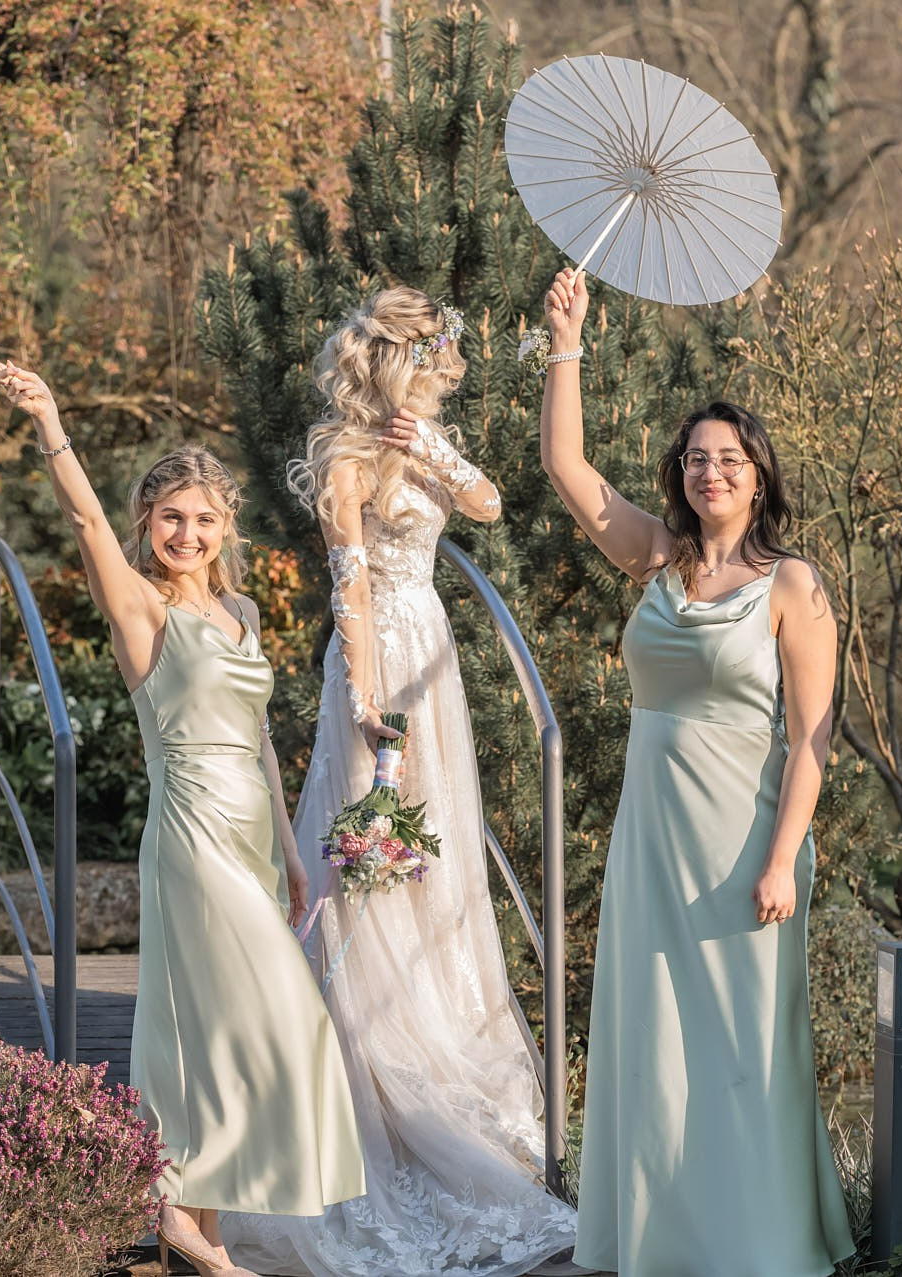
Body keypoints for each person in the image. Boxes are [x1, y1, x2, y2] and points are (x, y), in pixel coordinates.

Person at [222, 287, 579, 1277]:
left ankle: (444, 1055)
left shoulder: (425, 441)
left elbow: (489, 504)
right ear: (380, 363)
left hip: (434, 652)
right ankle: (362, 1072)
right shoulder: (340, 455)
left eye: (434, 356)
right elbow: (350, 584)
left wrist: (432, 449)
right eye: (418, 355)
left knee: (439, 863)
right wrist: (369, 706)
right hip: (377, 660)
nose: (431, 367)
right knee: (369, 863)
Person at [0, 365, 364, 1277]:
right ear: (148, 525)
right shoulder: (142, 610)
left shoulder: (239, 611)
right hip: (192, 834)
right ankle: (172, 1201)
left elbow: (264, 743)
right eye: (169, 518)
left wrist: (290, 855)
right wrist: (50, 417)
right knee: (276, 1013)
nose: (186, 534)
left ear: (225, 529)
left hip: (249, 832)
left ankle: (197, 1223)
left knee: (222, 1024)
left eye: (203, 520)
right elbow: (84, 520)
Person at [537, 268, 854, 1277]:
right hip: (652, 841)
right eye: (695, 458)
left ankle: (756, 1247)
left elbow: (812, 736)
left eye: (730, 459)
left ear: (757, 477)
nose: (710, 471)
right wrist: (566, 340)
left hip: (746, 843)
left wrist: (780, 858)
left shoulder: (789, 585)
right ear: (678, 474)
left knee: (737, 1043)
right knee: (656, 1038)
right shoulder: (655, 561)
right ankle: (657, 1238)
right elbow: (564, 463)